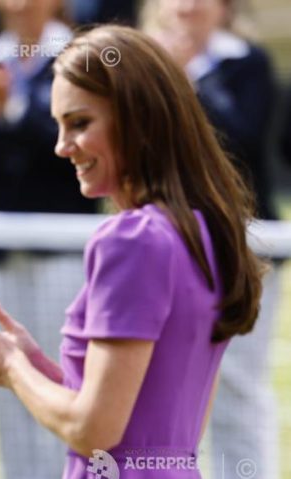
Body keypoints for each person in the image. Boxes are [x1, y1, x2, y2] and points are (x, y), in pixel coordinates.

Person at [0, 25, 265, 478]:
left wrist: (11, 365)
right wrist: (32, 367)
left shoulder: (131, 240)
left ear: (139, 119)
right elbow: (140, 416)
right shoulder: (203, 228)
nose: (61, 146)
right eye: (58, 125)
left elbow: (95, 430)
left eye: (79, 123)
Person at [0, 1, 96, 477]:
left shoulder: (80, 58)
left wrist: (11, 108)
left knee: (65, 381)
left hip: (61, 249)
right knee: (11, 389)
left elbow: (72, 150)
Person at [143, 1, 281, 476]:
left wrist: (187, 80)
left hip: (241, 248)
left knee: (238, 382)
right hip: (168, 247)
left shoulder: (249, 64)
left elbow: (241, 140)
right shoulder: (143, 62)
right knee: (172, 385)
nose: (188, 6)